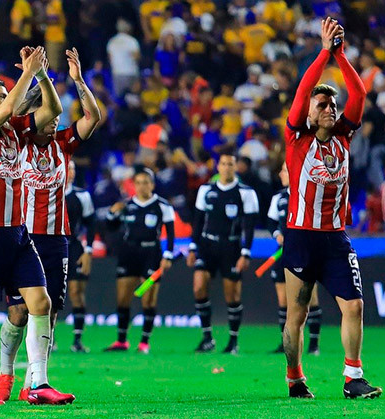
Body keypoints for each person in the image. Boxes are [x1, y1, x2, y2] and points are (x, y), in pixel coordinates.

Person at [0, 46, 72, 406]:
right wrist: (28, 70)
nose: (11, 101)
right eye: (3, 96)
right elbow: (9, 109)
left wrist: (41, 75)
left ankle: (38, 383)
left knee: (41, 302)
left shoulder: (14, 133)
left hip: (19, 233)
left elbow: (52, 110)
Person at [0, 48, 100, 403]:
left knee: (49, 312)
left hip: (56, 239)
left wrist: (79, 80)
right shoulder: (16, 141)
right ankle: (5, 373)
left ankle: (35, 382)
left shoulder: (63, 144)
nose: (54, 120)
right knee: (19, 313)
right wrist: (34, 75)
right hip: (22, 237)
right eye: (47, 115)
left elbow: (93, 116)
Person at [281, 18, 381, 399]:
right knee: (298, 316)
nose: (330, 108)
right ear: (308, 111)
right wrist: (324, 52)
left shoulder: (343, 135)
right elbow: (305, 88)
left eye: (332, 104)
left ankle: (352, 378)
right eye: (322, 104)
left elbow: (358, 94)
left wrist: (341, 56)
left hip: (336, 238)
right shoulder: (295, 136)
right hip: (302, 237)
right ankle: (294, 377)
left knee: (353, 306)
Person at [187, 150, 259, 354]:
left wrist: (245, 252)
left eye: (230, 164)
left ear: (235, 167)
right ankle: (207, 338)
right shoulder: (206, 190)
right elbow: (198, 221)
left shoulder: (245, 192)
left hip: (231, 247)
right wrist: (193, 247)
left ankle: (233, 342)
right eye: (223, 164)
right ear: (217, 167)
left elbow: (249, 226)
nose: (227, 168)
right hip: (208, 245)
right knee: (199, 287)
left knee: (232, 296)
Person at [104, 167, 176, 354]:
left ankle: (144, 342)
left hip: (151, 253)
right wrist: (112, 213)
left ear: (152, 184)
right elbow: (110, 227)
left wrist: (168, 255)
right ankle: (121, 341)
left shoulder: (162, 205)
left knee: (148, 300)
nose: (142, 186)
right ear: (133, 185)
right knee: (122, 298)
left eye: (146, 182)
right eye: (138, 183)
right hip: (129, 253)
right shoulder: (126, 204)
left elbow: (170, 233)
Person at [266, 163, 321, 355]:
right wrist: (276, 234)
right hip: (284, 252)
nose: (281, 174)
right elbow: (271, 221)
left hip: (306, 253)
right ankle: (285, 342)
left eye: (284, 170)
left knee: (310, 297)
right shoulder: (279, 198)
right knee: (283, 300)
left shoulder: (307, 195)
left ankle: (314, 344)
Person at [64, 160, 95, 352]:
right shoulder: (47, 191)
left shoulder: (82, 195)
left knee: (76, 292)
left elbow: (90, 224)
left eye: (73, 169)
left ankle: (77, 339)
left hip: (73, 246)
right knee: (47, 295)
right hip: (50, 247)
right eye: (67, 168)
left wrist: (88, 250)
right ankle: (49, 339)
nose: (71, 173)